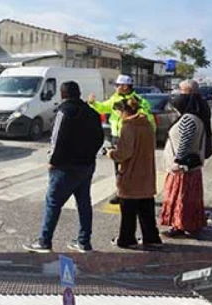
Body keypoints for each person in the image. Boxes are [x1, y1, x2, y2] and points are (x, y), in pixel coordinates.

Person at [24, 81, 104, 253]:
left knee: (53, 203)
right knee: (84, 204)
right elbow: (99, 138)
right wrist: (89, 155)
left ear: (62, 94)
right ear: (79, 93)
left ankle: (44, 241)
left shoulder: (64, 111)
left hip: (65, 167)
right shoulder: (92, 113)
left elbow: (56, 138)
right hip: (86, 165)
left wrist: (52, 160)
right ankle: (84, 242)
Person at [87, 75, 155, 205]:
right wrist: (93, 103)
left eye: (118, 85)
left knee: (135, 166)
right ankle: (121, 192)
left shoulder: (138, 100)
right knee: (119, 166)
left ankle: (138, 192)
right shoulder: (115, 99)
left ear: (125, 86)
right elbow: (103, 108)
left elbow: (145, 117)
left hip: (134, 135)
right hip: (117, 136)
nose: (116, 87)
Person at [107, 97, 162, 249]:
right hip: (146, 172)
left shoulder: (128, 126)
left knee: (128, 210)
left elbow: (124, 153)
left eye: (118, 112)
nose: (118, 115)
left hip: (131, 173)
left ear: (123, 111)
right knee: (146, 209)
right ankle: (151, 238)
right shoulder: (147, 124)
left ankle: (126, 239)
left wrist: (111, 153)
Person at [158, 84, 211, 239]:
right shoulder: (196, 116)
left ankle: (180, 225)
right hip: (189, 168)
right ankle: (189, 224)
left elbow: (184, 142)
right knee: (189, 198)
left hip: (182, 169)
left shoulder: (188, 119)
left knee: (181, 197)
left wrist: (177, 161)